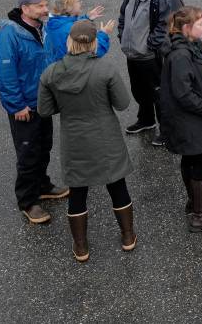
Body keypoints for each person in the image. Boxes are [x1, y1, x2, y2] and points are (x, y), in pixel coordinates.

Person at [38, 20, 136, 262]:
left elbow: (44, 109)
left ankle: (81, 247)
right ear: (93, 43)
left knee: (78, 193)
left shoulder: (51, 73)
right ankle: (127, 236)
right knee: (117, 186)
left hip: (74, 140)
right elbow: (123, 103)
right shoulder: (105, 69)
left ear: (69, 41)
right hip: (106, 139)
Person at [0, 0, 68, 224]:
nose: (45, 9)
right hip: (24, 107)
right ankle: (28, 201)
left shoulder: (41, 29)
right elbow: (6, 74)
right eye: (39, 6)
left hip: (42, 102)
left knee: (43, 145)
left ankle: (43, 185)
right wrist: (17, 106)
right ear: (25, 8)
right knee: (27, 152)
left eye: (45, 5)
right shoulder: (9, 35)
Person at [159, 6, 202, 231]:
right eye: (201, 24)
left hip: (189, 122)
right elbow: (183, 93)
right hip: (190, 121)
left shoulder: (190, 45)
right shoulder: (180, 55)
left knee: (193, 160)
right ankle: (199, 216)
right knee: (200, 162)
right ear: (187, 28)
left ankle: (196, 202)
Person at [117, 0, 171, 144]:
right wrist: (122, 36)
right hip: (132, 55)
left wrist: (149, 46)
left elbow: (163, 25)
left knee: (158, 94)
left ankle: (166, 131)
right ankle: (146, 120)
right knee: (139, 91)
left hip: (149, 57)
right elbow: (123, 17)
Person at [45, 0, 114, 63]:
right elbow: (93, 51)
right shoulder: (72, 30)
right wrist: (104, 34)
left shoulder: (54, 23)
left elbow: (69, 23)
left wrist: (87, 18)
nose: (81, 3)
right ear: (69, 7)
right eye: (77, 1)